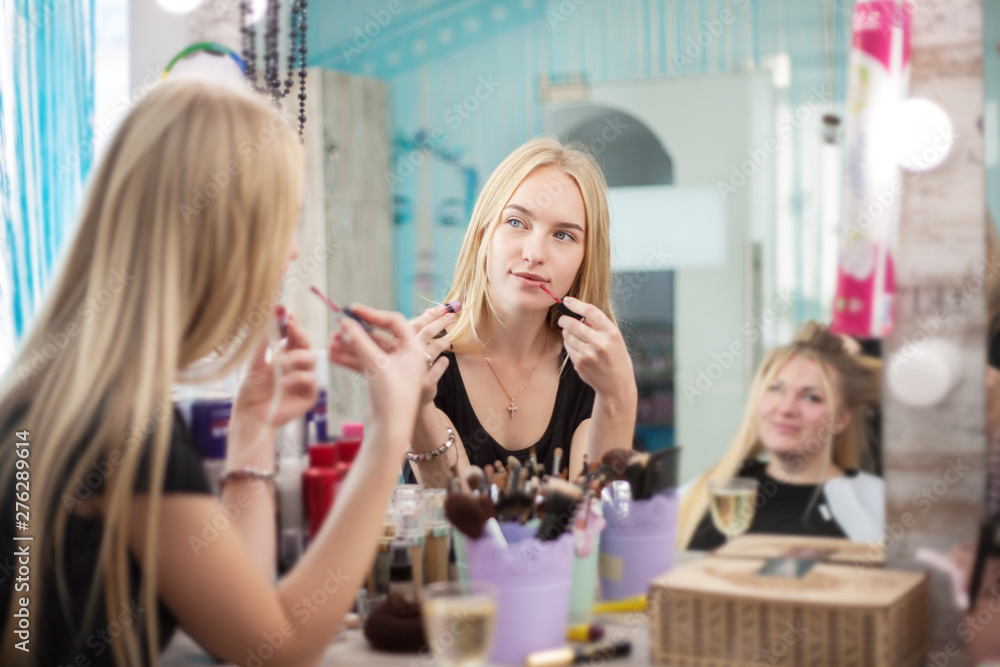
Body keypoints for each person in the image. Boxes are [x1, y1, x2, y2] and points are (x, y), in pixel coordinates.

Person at [0, 78, 447, 666]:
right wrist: (388, 433)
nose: (291, 253)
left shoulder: (60, 394)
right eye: (282, 225)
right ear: (220, 238)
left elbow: (241, 612)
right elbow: (277, 645)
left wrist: (254, 427)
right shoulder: (123, 430)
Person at [382, 137, 636, 486]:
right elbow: (462, 523)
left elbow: (593, 525)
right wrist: (418, 409)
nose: (534, 253)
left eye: (563, 235)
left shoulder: (592, 370)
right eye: (517, 222)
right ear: (484, 232)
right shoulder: (428, 365)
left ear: (585, 260)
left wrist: (620, 395)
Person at [678, 321, 883, 550]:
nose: (785, 408)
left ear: (842, 419)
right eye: (775, 389)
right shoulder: (707, 492)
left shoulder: (876, 505)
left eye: (811, 397)